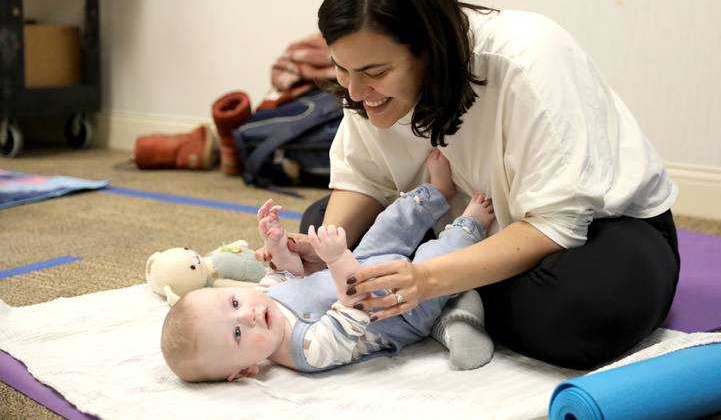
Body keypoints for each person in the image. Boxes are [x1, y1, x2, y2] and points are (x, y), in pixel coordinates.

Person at [258, 0, 681, 371]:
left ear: (428, 48)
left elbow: (557, 225)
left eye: (375, 74)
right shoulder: (364, 81)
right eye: (341, 69)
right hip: (456, 231)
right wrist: (329, 247)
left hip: (592, 232)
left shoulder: (528, 59)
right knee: (321, 223)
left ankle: (442, 300)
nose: (354, 92)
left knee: (583, 314)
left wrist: (425, 279)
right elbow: (363, 179)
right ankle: (448, 299)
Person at [160, 150, 496, 381]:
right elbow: (355, 306)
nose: (246, 315)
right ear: (246, 371)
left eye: (234, 302)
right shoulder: (308, 352)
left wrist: (277, 244)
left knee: (386, 226)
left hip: (363, 263)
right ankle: (471, 224)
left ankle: (436, 193)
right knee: (435, 259)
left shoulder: (264, 300)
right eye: (237, 334)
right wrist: (335, 258)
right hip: (402, 306)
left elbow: (288, 274)